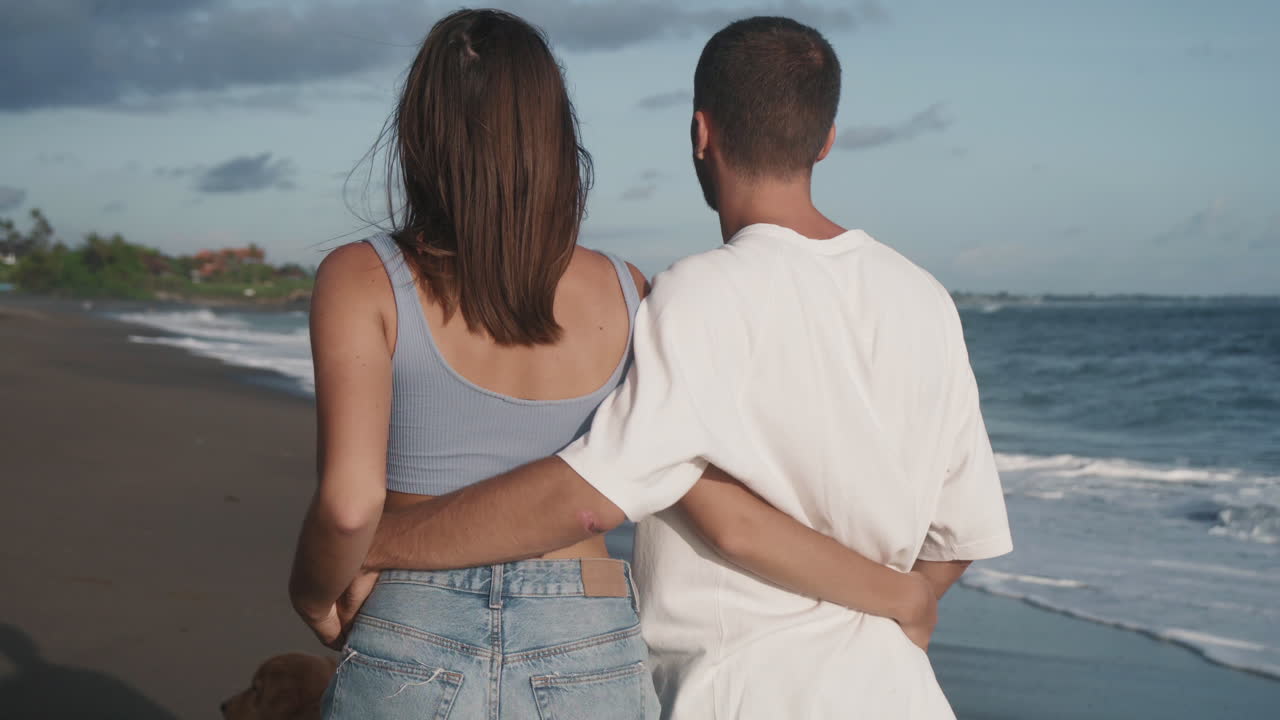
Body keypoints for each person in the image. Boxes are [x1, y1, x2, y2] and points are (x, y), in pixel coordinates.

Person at [340, 14, 1013, 720]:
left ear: (700, 133)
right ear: (826, 140)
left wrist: (381, 544)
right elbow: (959, 537)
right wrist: (893, 598)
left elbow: (599, 491)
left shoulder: (697, 293)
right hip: (899, 693)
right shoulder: (925, 298)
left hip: (740, 693)